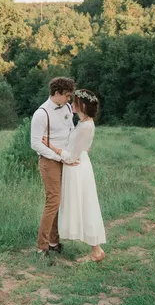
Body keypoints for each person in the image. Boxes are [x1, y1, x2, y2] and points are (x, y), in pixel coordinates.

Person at [44, 88, 107, 263]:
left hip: (77, 169)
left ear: (82, 105)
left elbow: (71, 157)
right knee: (85, 205)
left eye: (75, 102)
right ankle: (96, 249)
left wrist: (49, 145)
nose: (72, 104)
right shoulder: (84, 123)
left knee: (86, 206)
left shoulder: (85, 126)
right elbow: (83, 148)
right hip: (80, 166)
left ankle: (97, 251)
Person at [30, 76, 76, 256]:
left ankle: (54, 242)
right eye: (66, 95)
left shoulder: (68, 107)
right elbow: (35, 143)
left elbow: (70, 130)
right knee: (53, 201)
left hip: (66, 158)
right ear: (56, 93)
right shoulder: (41, 113)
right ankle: (42, 247)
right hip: (50, 161)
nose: (69, 99)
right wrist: (57, 156)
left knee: (60, 201)